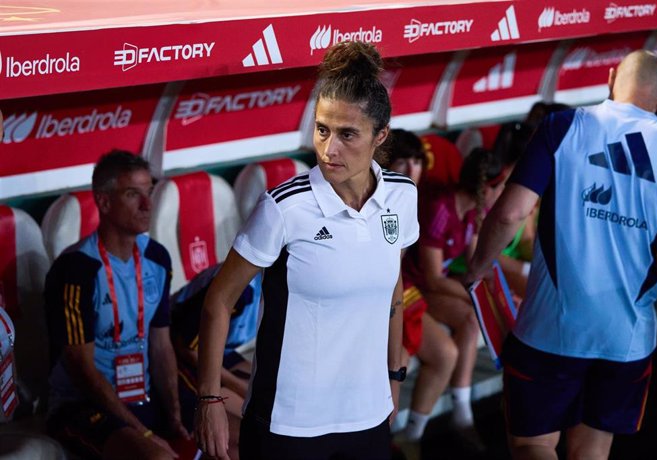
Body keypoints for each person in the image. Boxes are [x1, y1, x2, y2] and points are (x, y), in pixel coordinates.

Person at [194, 41, 419, 460]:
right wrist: (209, 400)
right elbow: (219, 300)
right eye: (322, 129)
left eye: (347, 134)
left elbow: (393, 292)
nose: (329, 148)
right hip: (288, 421)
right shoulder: (284, 207)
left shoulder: (403, 197)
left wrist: (394, 377)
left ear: (380, 136)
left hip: (367, 416)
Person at [463, 50, 657, 460]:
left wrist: (477, 270)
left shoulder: (564, 126)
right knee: (591, 452)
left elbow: (510, 214)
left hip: (550, 330)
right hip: (627, 340)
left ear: (609, 79)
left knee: (533, 445)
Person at [44, 150, 190, 459]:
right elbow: (81, 369)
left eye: (149, 192)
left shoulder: (157, 258)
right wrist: (145, 433)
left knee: (231, 437)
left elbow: (161, 345)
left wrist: (175, 417)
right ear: (105, 202)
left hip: (142, 395)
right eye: (132, 194)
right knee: (158, 458)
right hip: (82, 404)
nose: (147, 204)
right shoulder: (76, 269)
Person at [401, 146, 505, 444]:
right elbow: (433, 278)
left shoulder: (471, 212)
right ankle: (417, 433)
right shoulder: (441, 208)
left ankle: (461, 410)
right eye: (501, 189)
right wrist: (472, 293)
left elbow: (476, 268)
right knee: (453, 341)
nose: (503, 196)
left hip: (434, 287)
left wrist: (499, 297)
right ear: (488, 188)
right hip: (415, 288)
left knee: (473, 319)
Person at [384, 129, 458, 445]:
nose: (413, 170)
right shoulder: (375, 199)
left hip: (401, 293)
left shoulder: (412, 198)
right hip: (374, 304)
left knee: (445, 352)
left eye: (417, 161)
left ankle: (411, 438)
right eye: (403, 162)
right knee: (395, 366)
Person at [171, 264, 262, 460]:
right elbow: (186, 346)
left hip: (222, 351)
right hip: (179, 352)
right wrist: (239, 387)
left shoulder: (283, 290)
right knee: (244, 436)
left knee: (265, 398)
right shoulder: (244, 288)